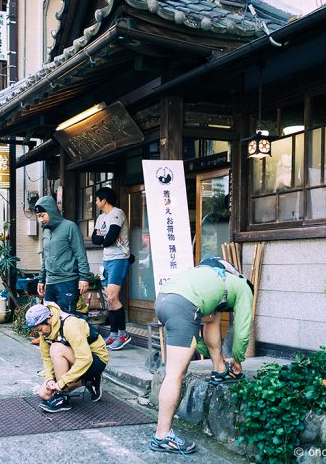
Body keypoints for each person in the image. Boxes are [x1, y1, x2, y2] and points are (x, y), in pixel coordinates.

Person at [149, 258, 253, 454]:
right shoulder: (242, 286)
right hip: (182, 306)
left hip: (164, 300)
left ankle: (219, 370)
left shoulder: (211, 279)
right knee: (175, 374)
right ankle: (162, 436)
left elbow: (208, 323)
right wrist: (238, 358)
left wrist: (218, 361)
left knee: (212, 317)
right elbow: (242, 329)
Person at [24, 303, 109, 413]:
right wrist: (49, 379)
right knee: (44, 394)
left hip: (95, 360)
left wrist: (62, 383)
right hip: (75, 358)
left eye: (40, 329)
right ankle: (88, 381)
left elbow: (85, 359)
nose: (40, 333)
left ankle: (63, 397)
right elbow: (46, 358)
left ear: (49, 319)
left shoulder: (69, 324)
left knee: (56, 348)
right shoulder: (44, 331)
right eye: (37, 330)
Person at [91, 187, 132, 350]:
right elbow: (95, 239)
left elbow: (109, 239)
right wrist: (104, 238)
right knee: (109, 299)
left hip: (119, 259)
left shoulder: (117, 213)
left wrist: (104, 238)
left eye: (97, 199)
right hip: (107, 259)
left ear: (104, 200)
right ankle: (114, 333)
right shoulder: (101, 218)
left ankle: (123, 334)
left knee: (113, 298)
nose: (95, 202)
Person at [34, 196, 90, 314]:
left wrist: (84, 277)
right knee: (50, 320)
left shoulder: (70, 227)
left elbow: (80, 254)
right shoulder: (46, 232)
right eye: (38, 217)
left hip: (67, 281)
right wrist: (41, 279)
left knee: (67, 318)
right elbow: (45, 258)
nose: (41, 219)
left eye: (43, 215)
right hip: (50, 282)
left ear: (51, 211)